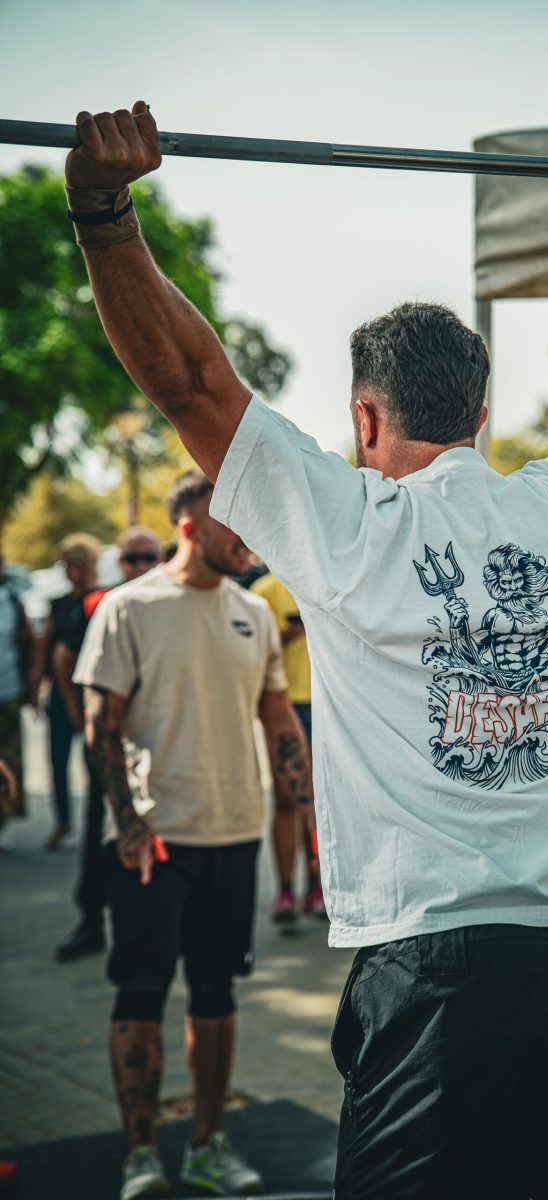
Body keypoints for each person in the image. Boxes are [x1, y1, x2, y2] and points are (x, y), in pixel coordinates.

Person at [63, 103, 548, 1199]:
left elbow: (190, 384)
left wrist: (103, 213)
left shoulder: (352, 528)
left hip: (442, 971)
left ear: (366, 421)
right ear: (481, 412)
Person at [73, 472, 312, 1200]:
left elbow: (279, 721)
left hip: (233, 835)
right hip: (153, 843)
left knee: (216, 993)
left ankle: (208, 1145)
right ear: (188, 527)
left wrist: (313, 811)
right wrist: (128, 824)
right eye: (231, 517)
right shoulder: (129, 608)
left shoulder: (254, 613)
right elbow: (100, 724)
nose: (247, 532)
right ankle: (141, 1156)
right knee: (140, 993)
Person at [55, 526, 164, 962]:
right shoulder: (103, 603)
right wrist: (83, 720)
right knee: (100, 828)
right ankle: (91, 921)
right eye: (131, 558)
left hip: (159, 746)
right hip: (112, 745)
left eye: (148, 557)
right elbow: (63, 658)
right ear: (119, 562)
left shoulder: (174, 602)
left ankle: (155, 927)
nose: (140, 566)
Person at [251, 571, 325, 920]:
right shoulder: (264, 591)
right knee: (285, 799)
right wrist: (290, 632)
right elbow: (252, 653)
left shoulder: (323, 579)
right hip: (284, 703)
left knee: (319, 800)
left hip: (324, 702)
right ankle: (284, 889)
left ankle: (316, 885)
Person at [40, 533, 101, 849]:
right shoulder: (59, 604)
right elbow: (52, 652)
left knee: (95, 763)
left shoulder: (102, 599)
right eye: (64, 564)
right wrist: (35, 686)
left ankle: (96, 823)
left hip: (90, 691)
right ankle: (63, 821)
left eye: (73, 563)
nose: (68, 571)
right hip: (62, 694)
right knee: (58, 761)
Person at [0, 558, 38, 850]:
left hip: (8, 691)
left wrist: (31, 684)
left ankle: (3, 821)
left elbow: (30, 639)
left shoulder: (12, 600)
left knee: (9, 758)